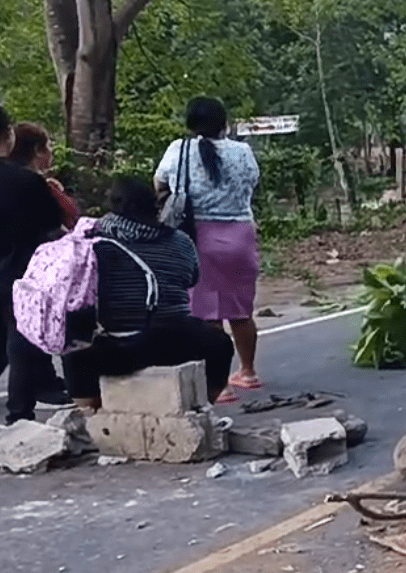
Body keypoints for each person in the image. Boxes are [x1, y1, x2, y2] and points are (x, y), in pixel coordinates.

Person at [60, 177, 234, 409]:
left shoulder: (93, 242)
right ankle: (204, 405)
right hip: (179, 342)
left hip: (119, 349)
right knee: (220, 344)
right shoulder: (181, 242)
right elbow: (191, 279)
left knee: (74, 353)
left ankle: (89, 413)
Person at [154, 97, 260, 403]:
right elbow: (252, 184)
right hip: (241, 235)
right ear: (224, 123)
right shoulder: (243, 152)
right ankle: (249, 372)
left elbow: (159, 183)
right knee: (241, 310)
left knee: (207, 314)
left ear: (190, 123)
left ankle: (220, 384)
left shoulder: (178, 150)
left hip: (199, 237)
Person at [0, 109, 69, 423]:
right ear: (7, 135)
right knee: (22, 336)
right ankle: (19, 413)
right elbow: (52, 224)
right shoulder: (25, 182)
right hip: (18, 268)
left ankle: (35, 395)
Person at [9, 122, 80, 229]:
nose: (51, 151)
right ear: (38, 150)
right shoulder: (40, 186)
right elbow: (73, 217)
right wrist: (59, 192)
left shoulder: (9, 181)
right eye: (48, 146)